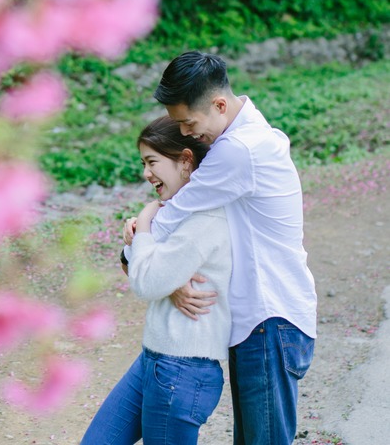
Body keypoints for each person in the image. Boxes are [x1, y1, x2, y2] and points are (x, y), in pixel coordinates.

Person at [151, 51, 316, 445]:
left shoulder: (239, 150)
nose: (187, 134)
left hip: (269, 320)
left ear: (220, 105)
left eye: (188, 122)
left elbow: (174, 216)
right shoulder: (252, 138)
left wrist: (136, 243)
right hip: (264, 322)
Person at [81, 117, 230, 444]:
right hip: (153, 360)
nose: (146, 173)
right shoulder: (175, 210)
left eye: (152, 162)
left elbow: (146, 283)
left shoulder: (204, 217)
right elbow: (133, 267)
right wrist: (142, 247)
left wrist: (146, 222)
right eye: (144, 163)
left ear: (186, 160)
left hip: (182, 369)